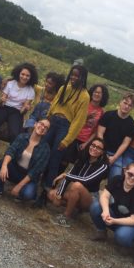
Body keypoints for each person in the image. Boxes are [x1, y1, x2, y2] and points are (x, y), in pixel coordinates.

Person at [37, 65, 90, 204]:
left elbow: (78, 121)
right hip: (53, 121)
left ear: (83, 77)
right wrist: (47, 119)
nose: (73, 78)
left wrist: (67, 140)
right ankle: (34, 178)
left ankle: (47, 189)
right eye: (72, 74)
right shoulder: (63, 88)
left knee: (55, 157)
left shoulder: (84, 96)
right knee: (42, 150)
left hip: (65, 127)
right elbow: (53, 105)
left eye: (77, 75)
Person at [48, 138, 109, 228]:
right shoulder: (82, 159)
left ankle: (66, 217)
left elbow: (86, 180)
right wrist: (59, 194)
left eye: (99, 148)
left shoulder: (103, 166)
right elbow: (69, 176)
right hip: (74, 193)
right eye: (93, 145)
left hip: (90, 198)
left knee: (77, 185)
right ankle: (75, 209)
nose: (95, 148)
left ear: (102, 152)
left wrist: (65, 175)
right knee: (51, 194)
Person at [0, 119, 50, 202]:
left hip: (29, 177)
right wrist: (5, 166)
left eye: (46, 127)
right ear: (35, 124)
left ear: (46, 132)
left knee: (27, 195)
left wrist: (19, 186)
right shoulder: (22, 137)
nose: (42, 127)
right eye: (41, 124)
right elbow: (11, 151)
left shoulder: (45, 149)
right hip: (16, 170)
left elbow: (35, 171)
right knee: (2, 163)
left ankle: (23, 192)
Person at [89, 162, 134, 247]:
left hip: (133, 225)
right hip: (115, 216)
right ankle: (101, 231)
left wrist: (114, 221)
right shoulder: (117, 179)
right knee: (95, 206)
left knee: (122, 236)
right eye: (130, 174)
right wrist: (106, 211)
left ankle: (128, 244)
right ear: (125, 171)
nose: (132, 178)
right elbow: (104, 196)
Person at [62, 84, 109, 166]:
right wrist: (86, 117)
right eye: (95, 92)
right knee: (63, 161)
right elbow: (73, 119)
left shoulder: (102, 112)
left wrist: (86, 143)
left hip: (84, 141)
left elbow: (95, 131)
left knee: (77, 164)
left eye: (99, 93)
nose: (96, 94)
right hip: (73, 136)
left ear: (103, 96)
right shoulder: (83, 104)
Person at [97, 92, 134, 180]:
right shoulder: (108, 115)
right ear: (120, 102)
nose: (126, 106)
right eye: (125, 103)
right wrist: (103, 152)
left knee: (116, 178)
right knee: (94, 173)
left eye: (130, 105)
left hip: (116, 155)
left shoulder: (132, 125)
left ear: (133, 108)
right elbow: (100, 134)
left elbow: (125, 143)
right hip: (100, 149)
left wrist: (114, 158)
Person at [0, 62, 37, 142]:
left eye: (27, 76)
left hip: (17, 111)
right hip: (4, 107)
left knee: (15, 133)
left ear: (31, 77)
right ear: (18, 73)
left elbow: (23, 110)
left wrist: (26, 108)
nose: (24, 77)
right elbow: (1, 101)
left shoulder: (31, 91)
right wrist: (1, 99)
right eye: (23, 74)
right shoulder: (10, 83)